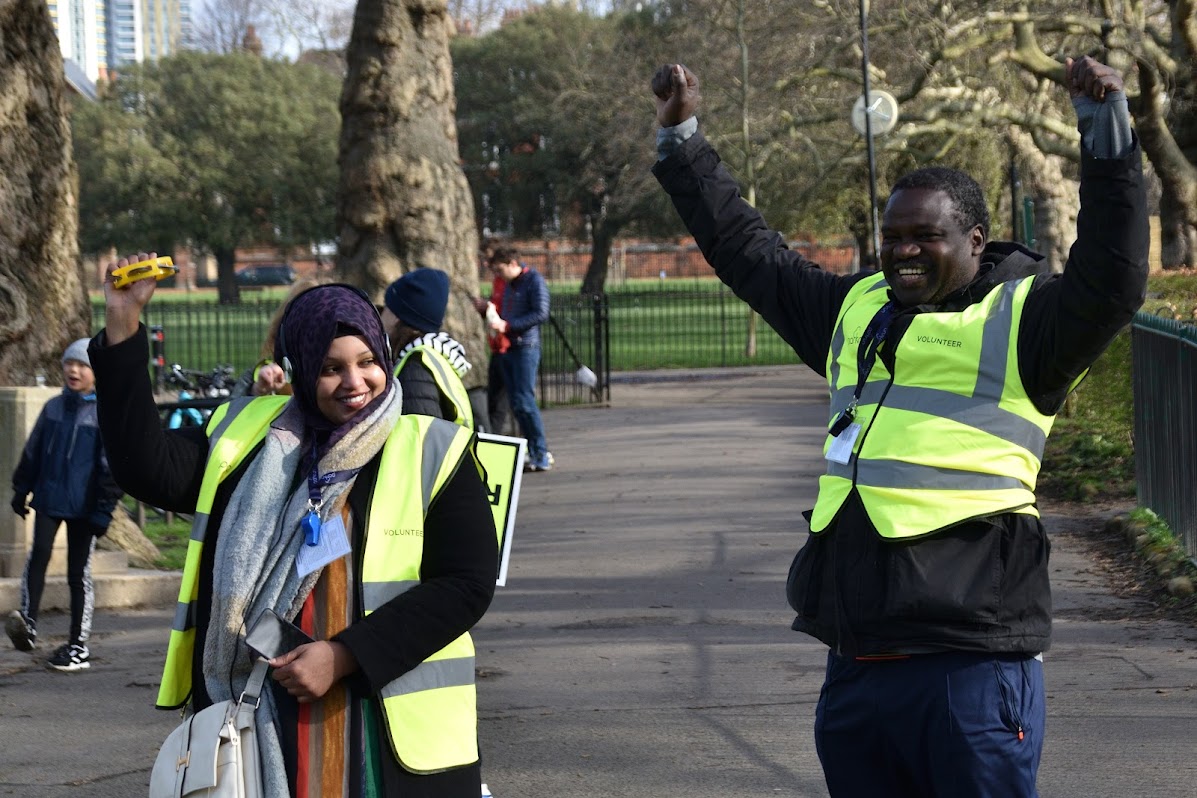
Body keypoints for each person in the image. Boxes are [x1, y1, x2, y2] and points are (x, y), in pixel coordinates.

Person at [650, 57, 1147, 796]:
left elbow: (1111, 273)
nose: (903, 250)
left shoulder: (1025, 323)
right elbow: (748, 252)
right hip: (856, 658)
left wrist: (1104, 130)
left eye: (926, 236)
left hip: (968, 661)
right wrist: (681, 139)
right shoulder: (854, 310)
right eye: (891, 236)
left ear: (975, 240)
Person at [91, 256, 498, 798]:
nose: (356, 382)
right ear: (301, 370)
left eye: (368, 361)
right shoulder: (247, 436)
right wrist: (122, 325)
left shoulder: (434, 447)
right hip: (265, 714)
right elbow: (146, 466)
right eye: (331, 368)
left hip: (388, 722)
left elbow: (465, 585)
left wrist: (343, 655)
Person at [7, 338, 123, 671]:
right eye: (69, 364)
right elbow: (33, 450)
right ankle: (28, 623)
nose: (74, 370)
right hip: (50, 498)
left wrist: (103, 509)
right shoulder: (54, 408)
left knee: (77, 573)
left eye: (83, 365)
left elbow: (110, 467)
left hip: (86, 507)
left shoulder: (103, 413)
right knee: (38, 556)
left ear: (96, 372)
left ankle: (78, 644)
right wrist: (21, 488)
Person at [381, 267, 475, 426]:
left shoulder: (416, 369)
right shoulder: (433, 355)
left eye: (386, 308)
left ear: (398, 317)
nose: (382, 315)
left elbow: (422, 440)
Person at [488, 246, 553, 471]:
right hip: (509, 347)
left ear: (513, 264)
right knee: (517, 403)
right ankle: (532, 451)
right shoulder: (509, 285)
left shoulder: (534, 280)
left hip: (526, 347)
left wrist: (508, 325)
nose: (498, 275)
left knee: (525, 401)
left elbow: (541, 313)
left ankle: (540, 452)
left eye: (500, 269)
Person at [472, 239, 514, 435]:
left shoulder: (508, 281)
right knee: (495, 399)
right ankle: (493, 438)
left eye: (489, 259)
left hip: (509, 346)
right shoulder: (498, 280)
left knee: (506, 401)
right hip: (497, 345)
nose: (486, 264)